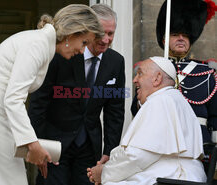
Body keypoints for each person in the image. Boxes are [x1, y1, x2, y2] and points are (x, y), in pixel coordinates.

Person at [0, 4, 104, 185]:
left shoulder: (41, 43)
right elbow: (14, 98)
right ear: (73, 34)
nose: (82, 50)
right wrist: (32, 145)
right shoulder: (37, 44)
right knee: (5, 177)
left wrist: (35, 147)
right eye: (84, 42)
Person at [28, 3, 125, 185]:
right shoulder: (62, 53)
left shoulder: (116, 62)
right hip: (55, 144)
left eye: (111, 33)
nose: (106, 39)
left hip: (90, 148)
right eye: (101, 33)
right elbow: (39, 101)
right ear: (89, 31)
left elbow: (115, 112)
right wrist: (37, 143)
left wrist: (109, 152)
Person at [87, 57, 206, 185]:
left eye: (140, 73)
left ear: (157, 78)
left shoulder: (160, 101)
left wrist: (104, 173)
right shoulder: (176, 99)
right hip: (178, 175)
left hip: (172, 177)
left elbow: (138, 156)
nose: (134, 80)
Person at [131, 0, 217, 145]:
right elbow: (136, 109)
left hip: (198, 142)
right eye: (175, 34)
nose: (181, 38)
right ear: (164, 39)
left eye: (186, 35)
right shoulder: (151, 69)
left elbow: (215, 115)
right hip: (161, 140)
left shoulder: (207, 72)